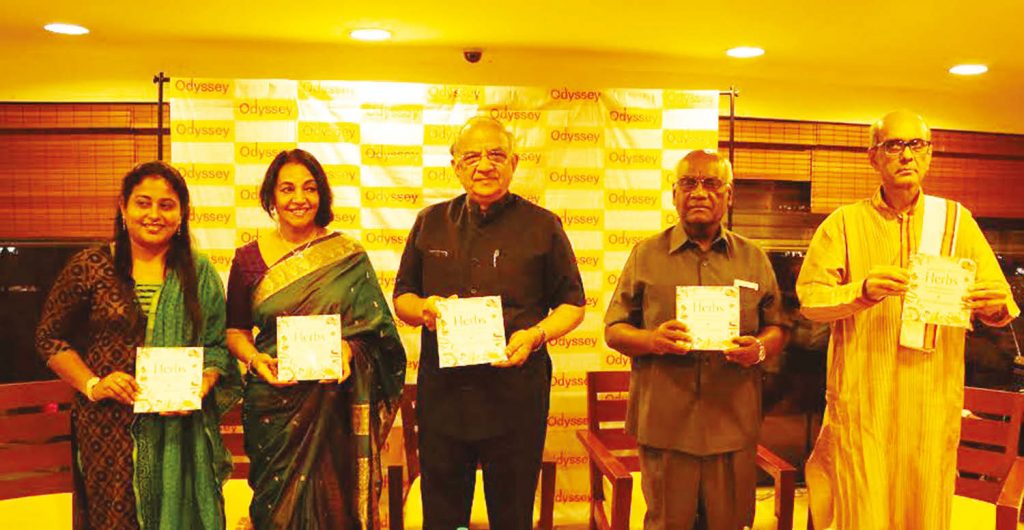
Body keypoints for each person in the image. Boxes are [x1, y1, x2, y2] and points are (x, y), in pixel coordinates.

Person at [796, 110, 1020, 530]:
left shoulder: (956, 221)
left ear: (930, 154)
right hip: (864, 402)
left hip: (931, 402)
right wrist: (860, 292)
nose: (906, 155)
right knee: (863, 510)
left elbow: (1000, 302)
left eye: (916, 145)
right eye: (893, 145)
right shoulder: (844, 224)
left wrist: (992, 307)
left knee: (926, 509)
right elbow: (811, 301)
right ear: (873, 157)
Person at [393, 116, 586, 529]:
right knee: (444, 515)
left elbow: (573, 305)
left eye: (496, 155)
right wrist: (427, 308)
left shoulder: (543, 226)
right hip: (444, 394)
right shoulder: (430, 222)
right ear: (456, 166)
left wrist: (536, 335)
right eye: (472, 156)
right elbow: (402, 299)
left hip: (516, 394)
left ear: (514, 163)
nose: (485, 165)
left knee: (512, 513)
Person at [35, 160, 241, 529]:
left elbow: (216, 348)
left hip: (180, 431)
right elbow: (49, 337)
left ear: (182, 214)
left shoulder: (199, 272)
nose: (154, 214)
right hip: (108, 432)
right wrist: (93, 384)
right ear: (123, 208)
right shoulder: (92, 265)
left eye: (166, 205)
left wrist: (199, 386)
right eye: (143, 203)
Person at [604, 150, 788, 530]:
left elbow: (778, 327)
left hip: (732, 422)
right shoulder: (645, 255)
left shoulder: (753, 259)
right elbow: (614, 329)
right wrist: (653, 340)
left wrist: (758, 349)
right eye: (689, 183)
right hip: (666, 424)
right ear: (674, 195)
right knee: (668, 524)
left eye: (711, 183)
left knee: (731, 523)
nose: (700, 193)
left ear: (729, 195)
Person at [225, 149, 405, 529]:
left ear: (321, 195)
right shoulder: (247, 260)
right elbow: (236, 332)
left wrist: (349, 350)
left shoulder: (349, 256)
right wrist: (256, 360)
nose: (298, 199)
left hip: (335, 402)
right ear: (271, 197)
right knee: (275, 508)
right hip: (274, 402)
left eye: (309, 189)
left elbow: (381, 336)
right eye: (287, 189)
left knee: (335, 509)